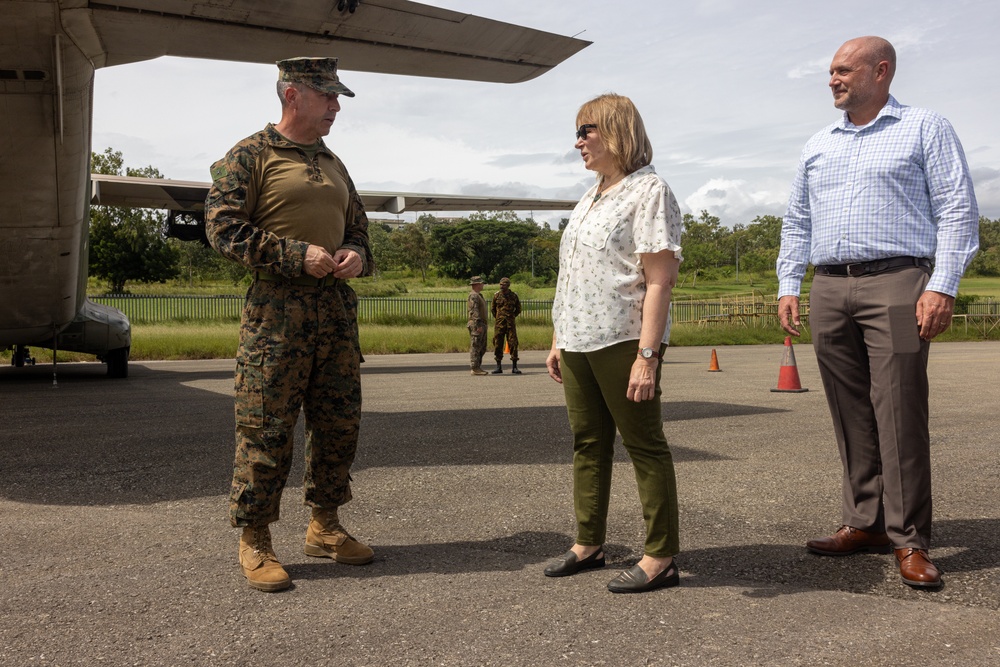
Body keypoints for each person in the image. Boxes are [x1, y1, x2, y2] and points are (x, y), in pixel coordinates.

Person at [777, 37, 979, 589]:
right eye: (831, 71)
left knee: (899, 410)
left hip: (898, 280)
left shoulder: (924, 127)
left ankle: (909, 537)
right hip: (830, 285)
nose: (833, 79)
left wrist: (942, 286)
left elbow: (959, 207)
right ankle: (865, 522)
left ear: (881, 71)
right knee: (850, 411)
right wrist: (789, 281)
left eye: (843, 70)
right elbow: (797, 219)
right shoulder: (819, 144)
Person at [205, 57, 376, 592]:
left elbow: (361, 229)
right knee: (266, 428)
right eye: (327, 95)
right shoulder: (250, 155)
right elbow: (222, 227)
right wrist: (292, 254)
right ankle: (254, 539)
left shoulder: (334, 163)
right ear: (292, 94)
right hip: (276, 315)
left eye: (338, 96)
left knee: (337, 423)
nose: (336, 105)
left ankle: (325, 527)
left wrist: (354, 253)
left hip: (334, 313)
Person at [544, 93, 684, 594]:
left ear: (617, 130)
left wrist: (647, 357)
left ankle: (661, 554)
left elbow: (659, 280)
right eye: (577, 133)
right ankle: (588, 543)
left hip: (624, 339)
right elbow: (573, 275)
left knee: (644, 445)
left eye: (587, 130)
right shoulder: (591, 195)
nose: (578, 141)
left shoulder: (649, 191)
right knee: (588, 443)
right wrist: (559, 338)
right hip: (580, 339)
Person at [490, 277, 522, 374]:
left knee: (513, 343)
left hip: (510, 324)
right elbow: (493, 309)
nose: (501, 286)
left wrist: (511, 316)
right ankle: (498, 366)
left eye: (503, 284)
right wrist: (499, 317)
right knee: (498, 343)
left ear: (508, 285)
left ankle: (514, 366)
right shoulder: (496, 296)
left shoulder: (513, 296)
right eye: (500, 284)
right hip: (499, 324)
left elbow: (518, 309)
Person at [467, 276, 489, 376]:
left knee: (482, 347)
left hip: (482, 324)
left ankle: (478, 366)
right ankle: (475, 368)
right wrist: (478, 325)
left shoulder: (479, 295)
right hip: (477, 324)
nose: (482, 285)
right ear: (476, 284)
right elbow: (474, 311)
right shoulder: (474, 296)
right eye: (481, 283)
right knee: (476, 346)